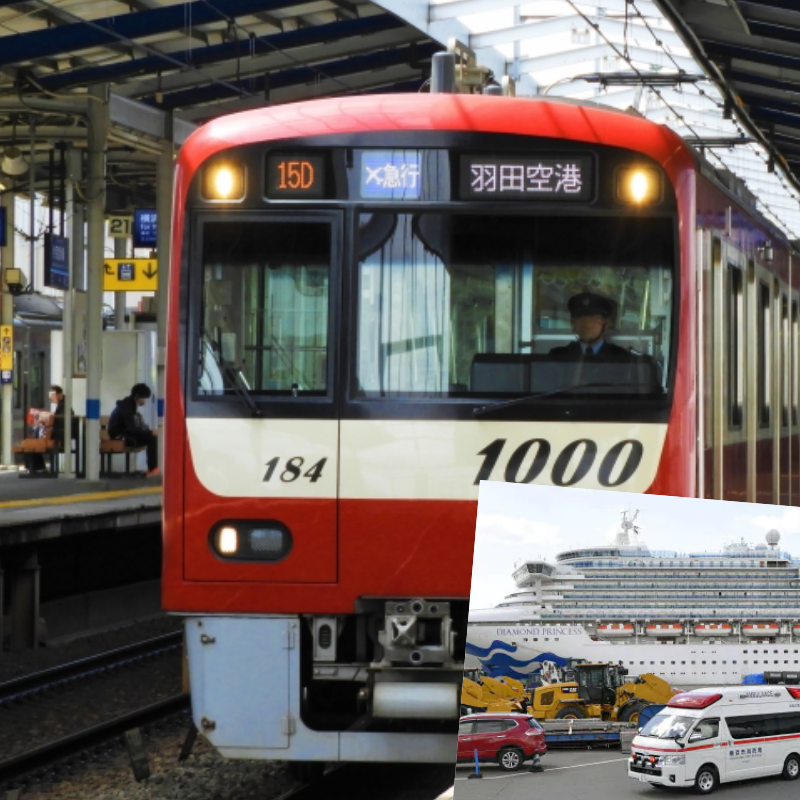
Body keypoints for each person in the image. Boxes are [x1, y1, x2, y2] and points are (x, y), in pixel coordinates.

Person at [548, 292, 632, 362]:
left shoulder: (620, 357)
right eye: (580, 317)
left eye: (593, 318)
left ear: (606, 323)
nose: (586, 323)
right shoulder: (557, 356)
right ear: (572, 323)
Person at [108, 383, 159, 477]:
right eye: (144, 398)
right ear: (137, 396)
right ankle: (152, 469)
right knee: (152, 438)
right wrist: (149, 432)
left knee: (152, 436)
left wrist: (147, 431)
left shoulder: (129, 405)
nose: (145, 401)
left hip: (124, 434)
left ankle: (153, 468)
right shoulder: (127, 408)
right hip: (120, 437)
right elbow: (132, 428)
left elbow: (133, 427)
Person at [24, 385, 71, 474]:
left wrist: (47, 422)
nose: (51, 398)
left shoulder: (64, 406)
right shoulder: (62, 405)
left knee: (30, 444)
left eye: (52, 396)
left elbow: (60, 422)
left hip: (58, 436)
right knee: (33, 441)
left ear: (59, 394)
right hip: (57, 434)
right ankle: (39, 467)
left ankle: (37, 467)